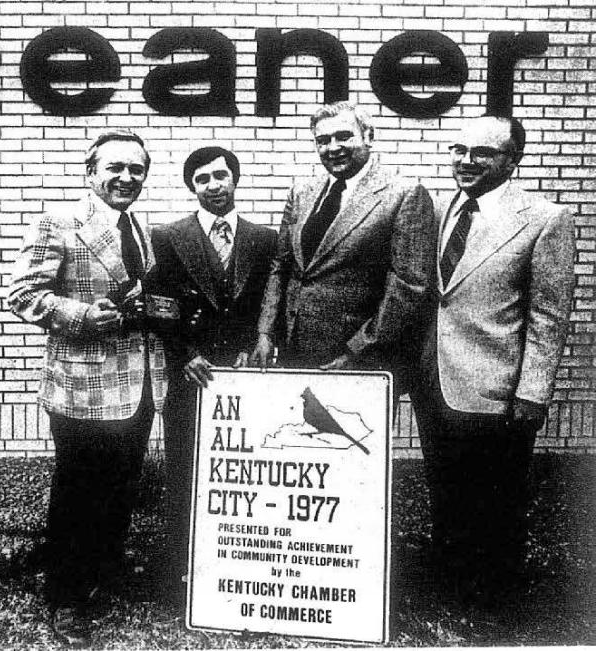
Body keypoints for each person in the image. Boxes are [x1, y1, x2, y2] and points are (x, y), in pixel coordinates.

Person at [7, 131, 167, 645]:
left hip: (138, 383)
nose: (126, 178)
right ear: (89, 172)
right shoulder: (59, 221)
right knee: (78, 493)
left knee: (121, 490)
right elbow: (22, 293)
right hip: (82, 387)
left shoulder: (137, 227)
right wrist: (78, 316)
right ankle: (66, 598)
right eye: (115, 168)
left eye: (136, 170)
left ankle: (102, 574)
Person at [412, 114, 575, 602]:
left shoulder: (545, 219)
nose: (465, 161)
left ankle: (497, 593)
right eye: (458, 149)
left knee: (497, 495)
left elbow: (549, 315)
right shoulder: (441, 210)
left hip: (498, 386)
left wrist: (532, 391)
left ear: (512, 159)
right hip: (435, 379)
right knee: (445, 483)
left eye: (481, 153)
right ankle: (449, 575)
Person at [147, 146, 278, 595]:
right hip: (192, 375)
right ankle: (182, 574)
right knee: (187, 469)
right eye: (201, 179)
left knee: (243, 473)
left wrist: (255, 346)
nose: (213, 186)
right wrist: (185, 354)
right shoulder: (166, 237)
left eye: (221, 176)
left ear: (235, 180)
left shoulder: (264, 239)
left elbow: (269, 301)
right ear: (192, 188)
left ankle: (237, 569)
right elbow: (159, 306)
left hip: (244, 375)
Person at [247, 101, 436, 391]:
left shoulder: (404, 195)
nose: (332, 147)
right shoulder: (301, 192)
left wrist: (356, 350)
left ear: (368, 137)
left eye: (343, 136)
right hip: (294, 356)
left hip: (359, 361)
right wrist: (265, 333)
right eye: (322, 141)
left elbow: (408, 286)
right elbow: (281, 266)